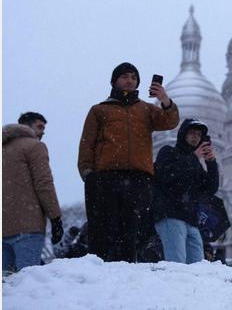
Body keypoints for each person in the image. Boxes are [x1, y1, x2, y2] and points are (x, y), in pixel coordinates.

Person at [77, 62, 179, 262]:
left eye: (133, 77)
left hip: (139, 178)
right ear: (115, 81)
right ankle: (102, 269)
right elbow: (86, 143)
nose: (129, 80)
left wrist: (164, 99)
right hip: (106, 177)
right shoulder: (99, 110)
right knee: (105, 228)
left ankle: (129, 270)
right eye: (125, 76)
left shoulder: (147, 110)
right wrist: (87, 173)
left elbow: (170, 122)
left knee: (134, 229)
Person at [152, 118, 219, 264]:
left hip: (191, 220)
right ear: (183, 134)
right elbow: (168, 177)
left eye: (199, 135)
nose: (196, 137)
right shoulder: (168, 152)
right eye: (192, 133)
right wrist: (193, 157)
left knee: (197, 267)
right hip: (170, 215)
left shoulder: (195, 163)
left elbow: (210, 189)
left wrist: (211, 163)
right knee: (177, 264)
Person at [3, 120, 63, 273]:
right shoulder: (34, 146)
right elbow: (44, 184)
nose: (43, 131)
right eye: (40, 127)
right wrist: (55, 218)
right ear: (27, 126)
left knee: (6, 288)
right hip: (27, 227)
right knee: (27, 282)